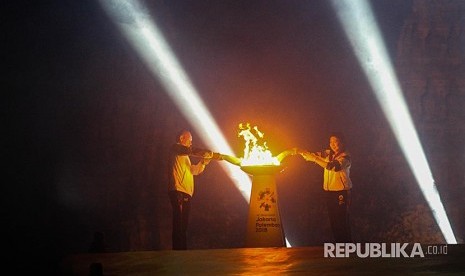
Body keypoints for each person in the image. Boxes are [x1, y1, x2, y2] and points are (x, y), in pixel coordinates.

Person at [168, 129, 219, 250]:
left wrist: (203, 162)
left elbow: (193, 171)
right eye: (189, 140)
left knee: (183, 225)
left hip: (186, 192)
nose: (191, 143)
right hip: (178, 191)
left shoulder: (185, 156)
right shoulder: (175, 148)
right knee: (179, 223)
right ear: (181, 138)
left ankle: (182, 252)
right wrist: (203, 152)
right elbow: (189, 150)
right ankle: (177, 252)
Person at [298, 132, 352, 243]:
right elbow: (314, 154)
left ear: (342, 143)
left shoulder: (346, 157)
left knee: (341, 221)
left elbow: (332, 167)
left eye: (336, 142)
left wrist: (314, 159)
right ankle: (339, 247)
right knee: (333, 221)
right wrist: (300, 152)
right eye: (331, 142)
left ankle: (348, 248)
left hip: (341, 193)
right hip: (329, 193)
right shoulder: (328, 154)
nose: (333, 144)